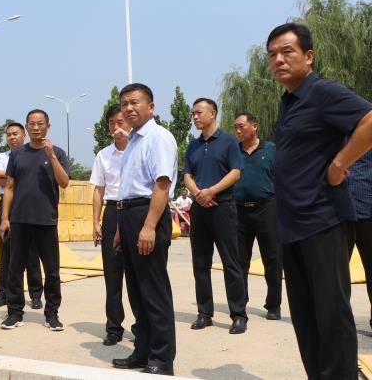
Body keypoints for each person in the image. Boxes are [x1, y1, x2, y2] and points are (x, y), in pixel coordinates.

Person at [267, 23, 372, 379]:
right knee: (306, 318)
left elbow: (370, 120)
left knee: (331, 316)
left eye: (287, 52)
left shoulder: (322, 91)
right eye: (272, 55)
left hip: (324, 220)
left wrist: (339, 164)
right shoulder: (289, 101)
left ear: (309, 56)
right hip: (292, 226)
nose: (278, 60)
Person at [111, 83, 177, 376]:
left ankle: (162, 358)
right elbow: (127, 187)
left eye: (134, 102)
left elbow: (162, 184)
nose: (128, 108)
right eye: (124, 103)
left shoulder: (158, 137)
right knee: (136, 291)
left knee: (153, 289)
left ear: (151, 107)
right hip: (128, 215)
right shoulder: (133, 141)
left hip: (147, 213)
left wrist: (149, 226)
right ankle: (143, 350)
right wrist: (119, 229)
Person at [0, 109, 69, 331]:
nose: (36, 127)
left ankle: (52, 314)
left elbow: (64, 182)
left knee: (52, 270)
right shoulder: (17, 154)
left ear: (48, 126)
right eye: (32, 123)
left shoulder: (58, 153)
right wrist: (5, 218)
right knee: (15, 268)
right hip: (19, 220)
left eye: (40, 123)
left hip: (46, 220)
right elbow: (9, 187)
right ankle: (14, 312)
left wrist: (51, 156)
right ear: (27, 127)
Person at [183, 98, 248, 334]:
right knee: (200, 263)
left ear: (213, 114)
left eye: (199, 112)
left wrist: (212, 191)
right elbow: (187, 175)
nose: (195, 117)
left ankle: (238, 315)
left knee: (231, 262)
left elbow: (236, 172)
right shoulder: (193, 146)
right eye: (193, 113)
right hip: (199, 208)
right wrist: (198, 193)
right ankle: (204, 313)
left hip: (223, 208)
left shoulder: (229, 142)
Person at [232, 112, 281, 321]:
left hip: (267, 208)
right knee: (240, 261)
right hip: (239, 211)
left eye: (241, 126)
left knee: (273, 259)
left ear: (254, 126)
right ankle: (240, 303)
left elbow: (282, 177)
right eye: (235, 127)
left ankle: (274, 305)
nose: (237, 130)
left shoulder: (271, 150)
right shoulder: (233, 151)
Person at [0, 122, 43, 310]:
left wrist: (6, 176)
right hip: (6, 206)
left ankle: (35, 295)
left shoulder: (32, 155)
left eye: (15, 134)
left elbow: (7, 178)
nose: (12, 137)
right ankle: (3, 293)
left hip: (27, 205)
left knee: (31, 251)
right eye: (9, 135)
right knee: (6, 250)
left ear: (24, 135)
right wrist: (20, 177)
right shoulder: (1, 157)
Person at [90, 103, 129, 346]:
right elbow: (98, 190)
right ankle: (114, 327)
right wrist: (96, 222)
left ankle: (142, 325)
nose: (116, 127)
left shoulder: (140, 149)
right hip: (112, 212)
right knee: (112, 275)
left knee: (138, 276)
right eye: (112, 123)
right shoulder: (103, 155)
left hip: (135, 211)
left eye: (120, 122)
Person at [349, 149, 372, 329]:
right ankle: (337, 323)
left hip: (368, 212)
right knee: (334, 273)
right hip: (337, 214)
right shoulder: (334, 136)